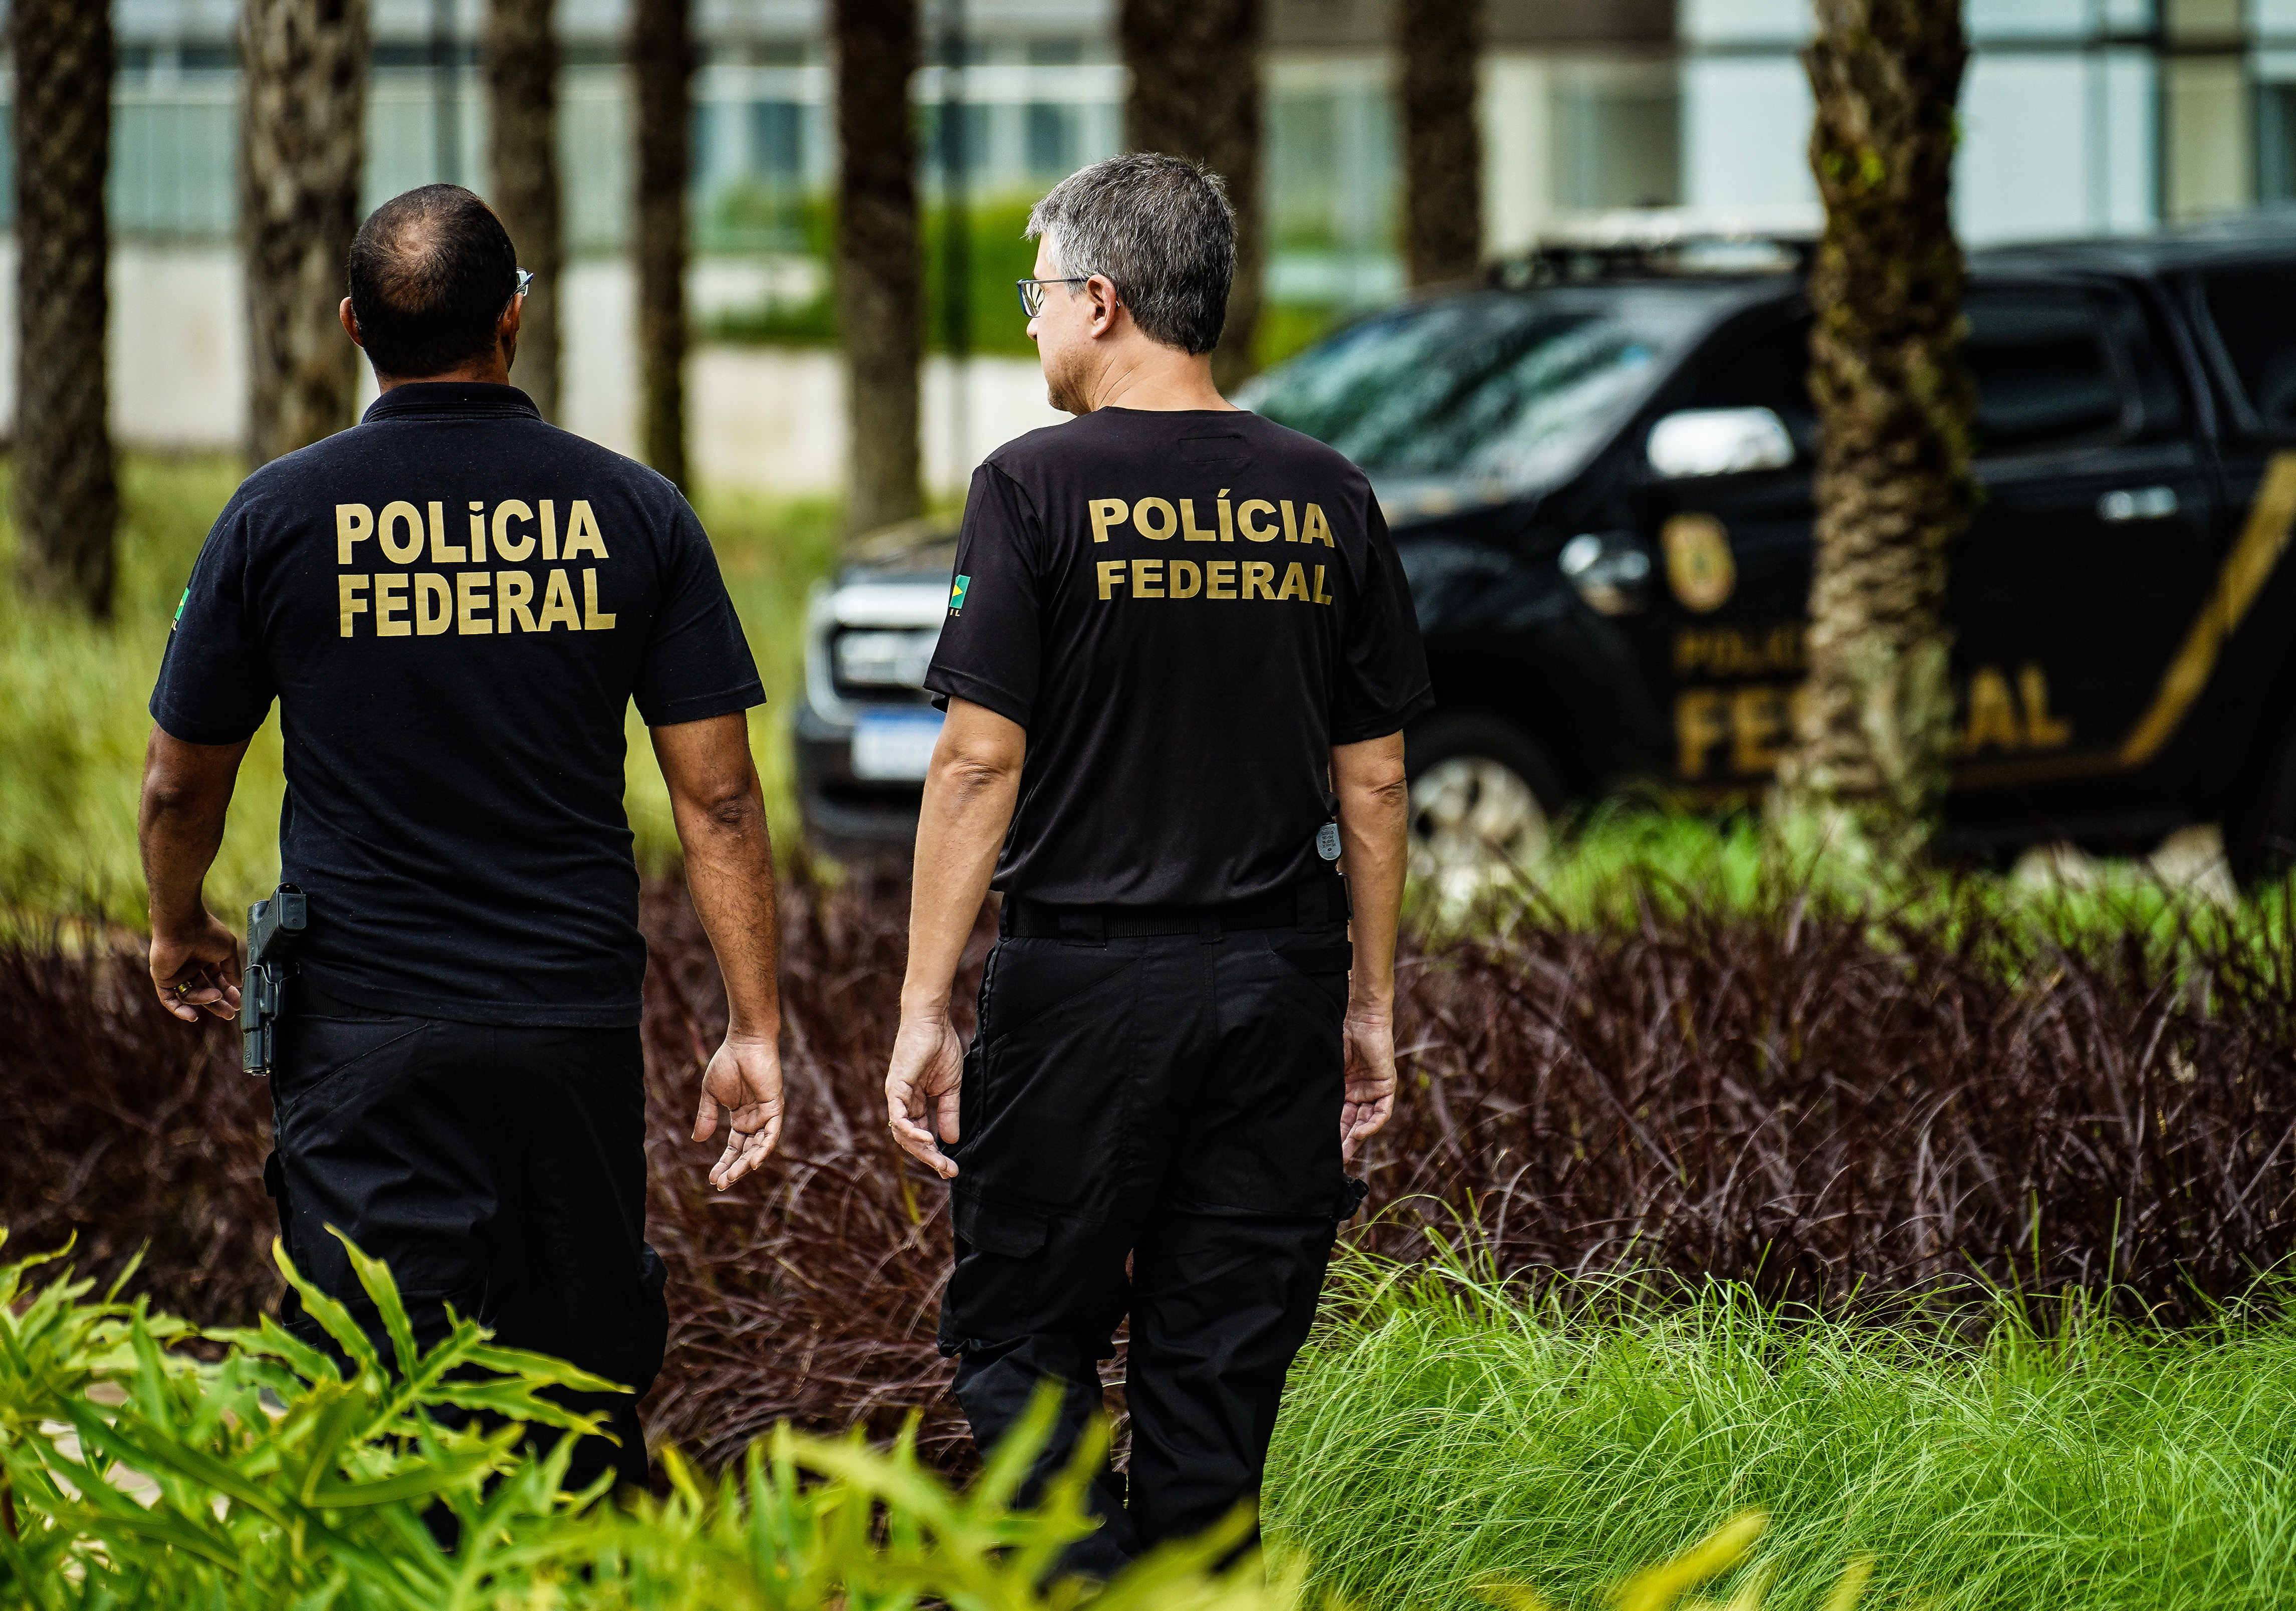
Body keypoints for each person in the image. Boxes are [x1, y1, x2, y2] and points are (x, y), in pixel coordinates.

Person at [140, 183, 784, 1494]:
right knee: (578, 1387)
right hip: (567, 1027)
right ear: (514, 318)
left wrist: (177, 921)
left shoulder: (276, 517)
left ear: (349, 327)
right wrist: (752, 1026)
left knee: (384, 1407)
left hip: (362, 1032)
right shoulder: (636, 512)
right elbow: (717, 799)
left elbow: (174, 785)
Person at [882, 153, 1432, 1577]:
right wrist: (1368, 1005)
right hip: (1275, 988)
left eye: (1039, 293)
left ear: (1104, 301)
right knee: (1219, 1370)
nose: (1032, 323)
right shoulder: (1327, 494)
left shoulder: (1029, 490)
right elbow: (1373, 775)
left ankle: (1069, 1596)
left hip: (1084, 995)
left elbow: (976, 761)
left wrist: (924, 1008)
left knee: (1023, 1340)